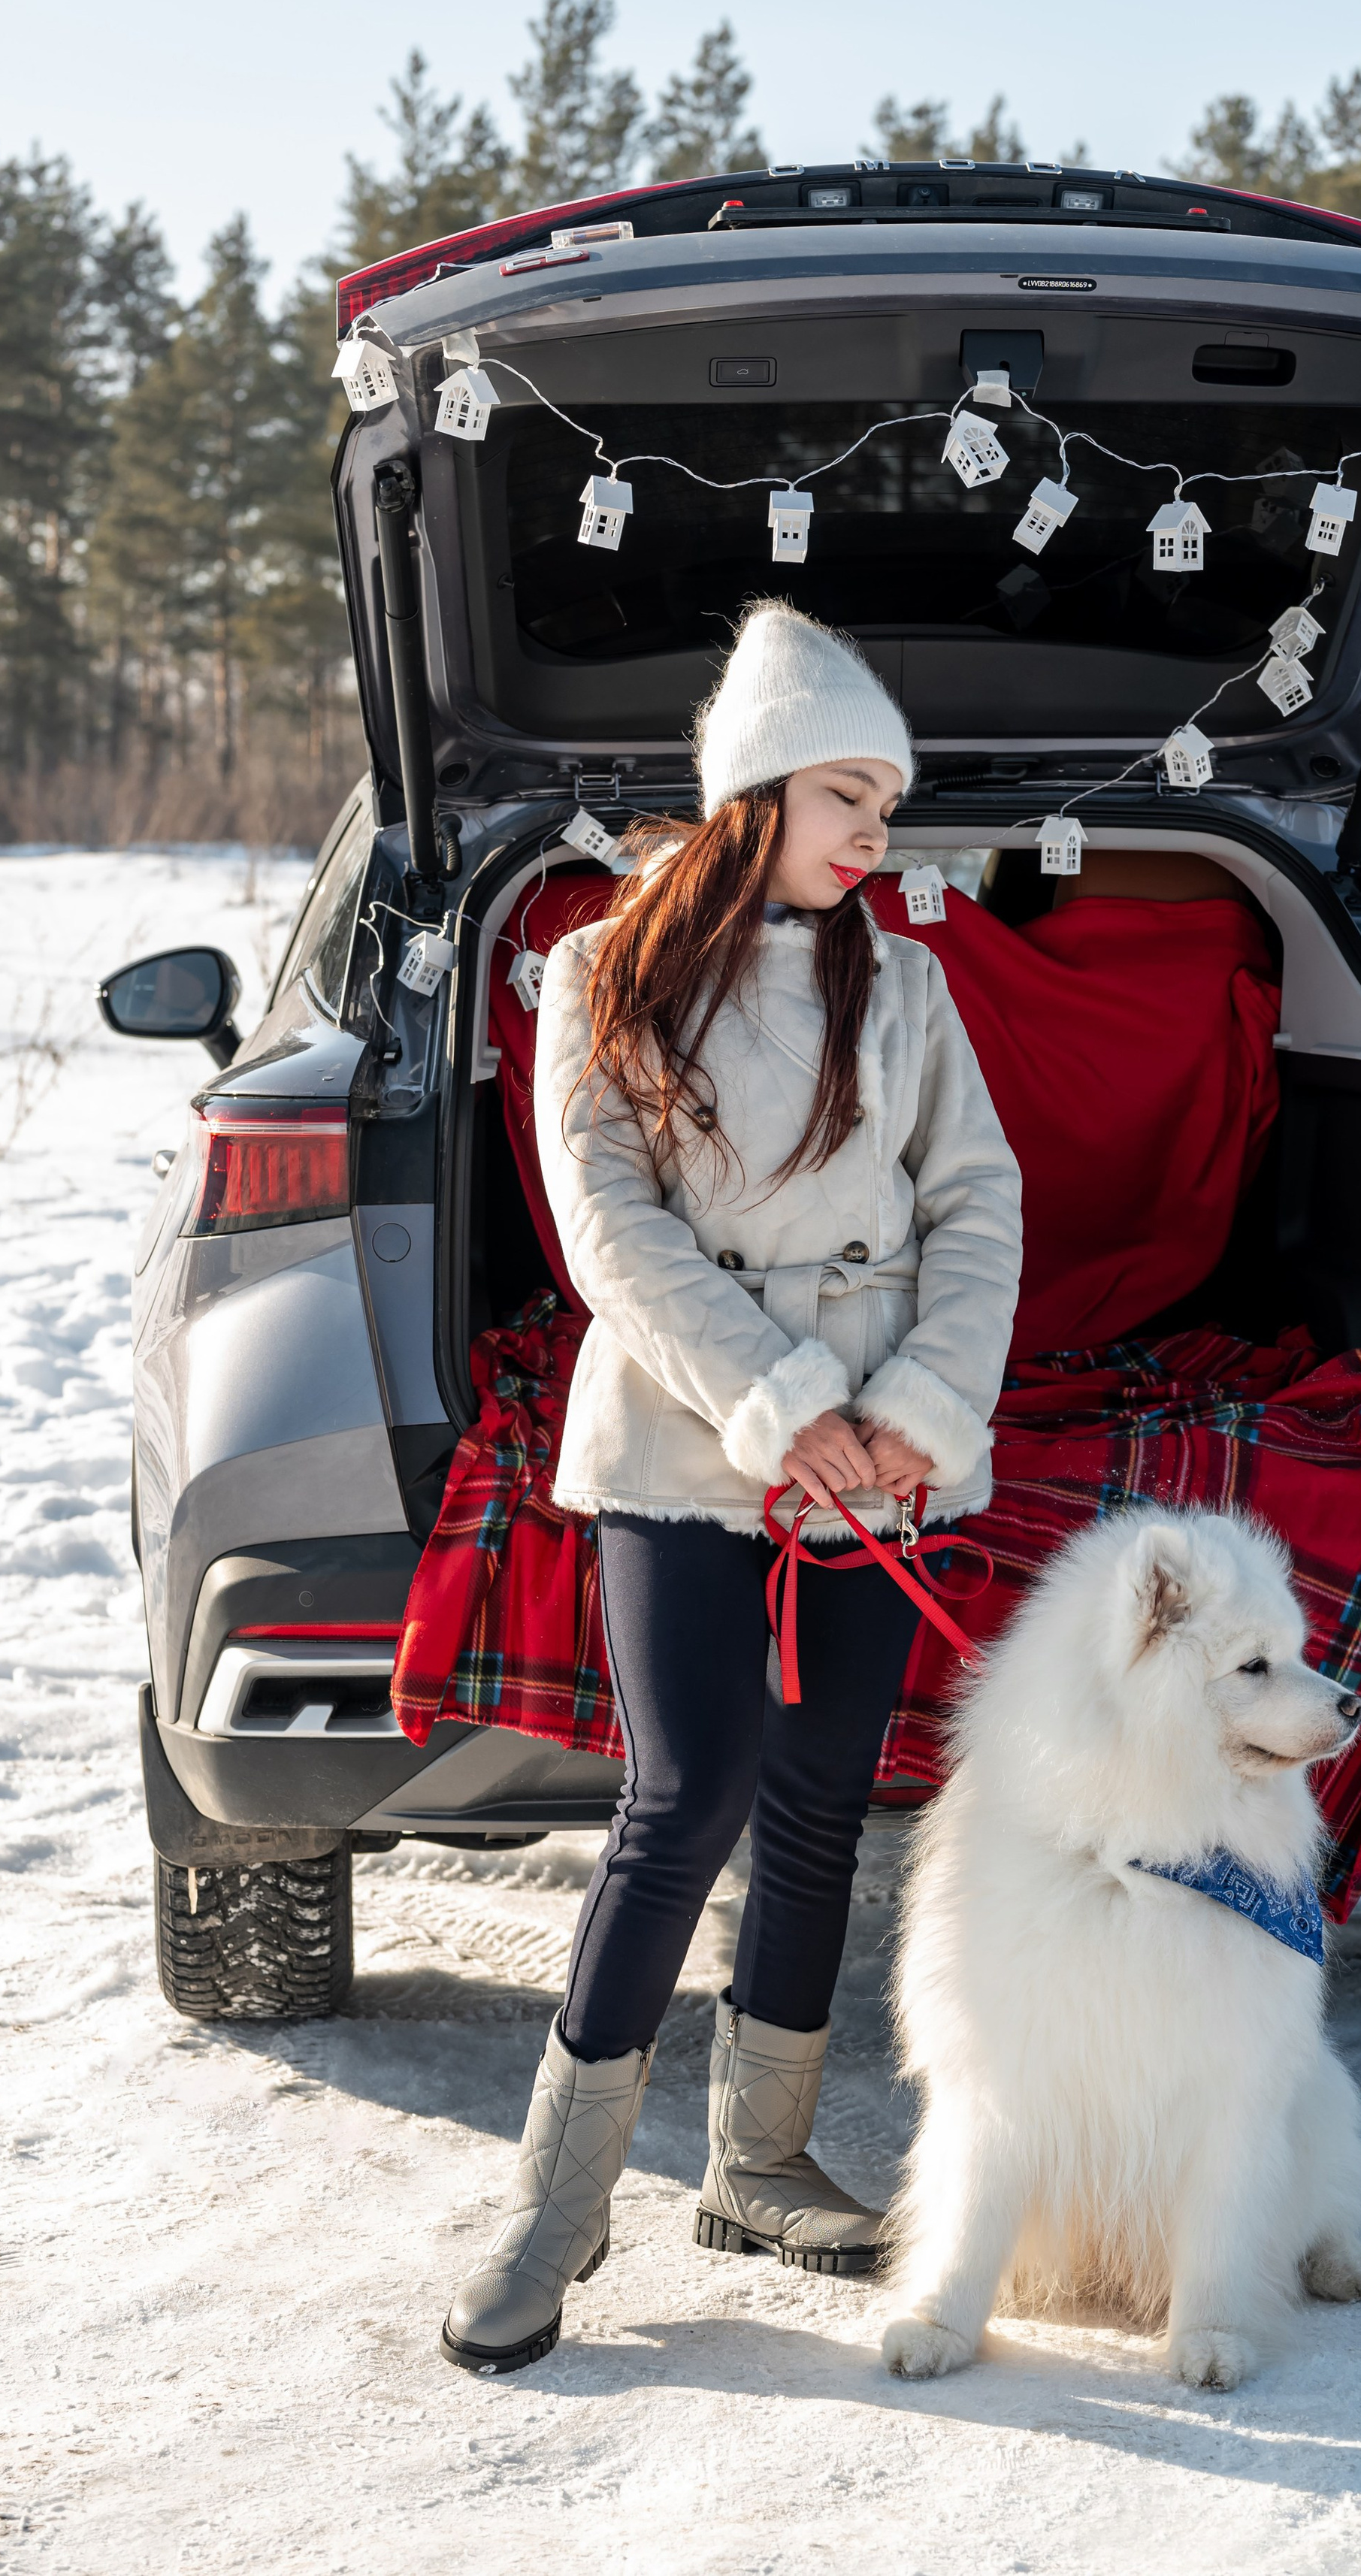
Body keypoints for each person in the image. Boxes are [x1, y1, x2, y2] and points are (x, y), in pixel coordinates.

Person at [441, 603, 1023, 2371]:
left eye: (888, 806)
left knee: (824, 1800)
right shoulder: (600, 973)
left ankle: (758, 2164)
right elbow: (609, 1235)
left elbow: (975, 1205)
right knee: (682, 1798)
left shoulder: (902, 985)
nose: (874, 835)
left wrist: (919, 1406)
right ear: (753, 789)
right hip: (688, 1439)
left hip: (881, 1455)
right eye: (847, 795)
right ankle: (554, 2209)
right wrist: (786, 1408)